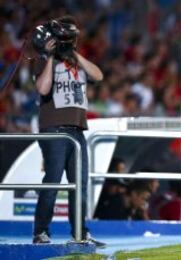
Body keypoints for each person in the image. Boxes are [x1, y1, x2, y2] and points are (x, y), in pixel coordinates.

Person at [32, 15, 105, 247]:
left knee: (80, 185)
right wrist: (51, 56)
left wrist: (74, 54)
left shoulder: (77, 61)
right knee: (52, 182)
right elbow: (43, 88)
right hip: (54, 129)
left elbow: (98, 76)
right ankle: (41, 232)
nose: (70, 42)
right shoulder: (44, 58)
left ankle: (80, 233)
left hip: (77, 130)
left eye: (72, 39)